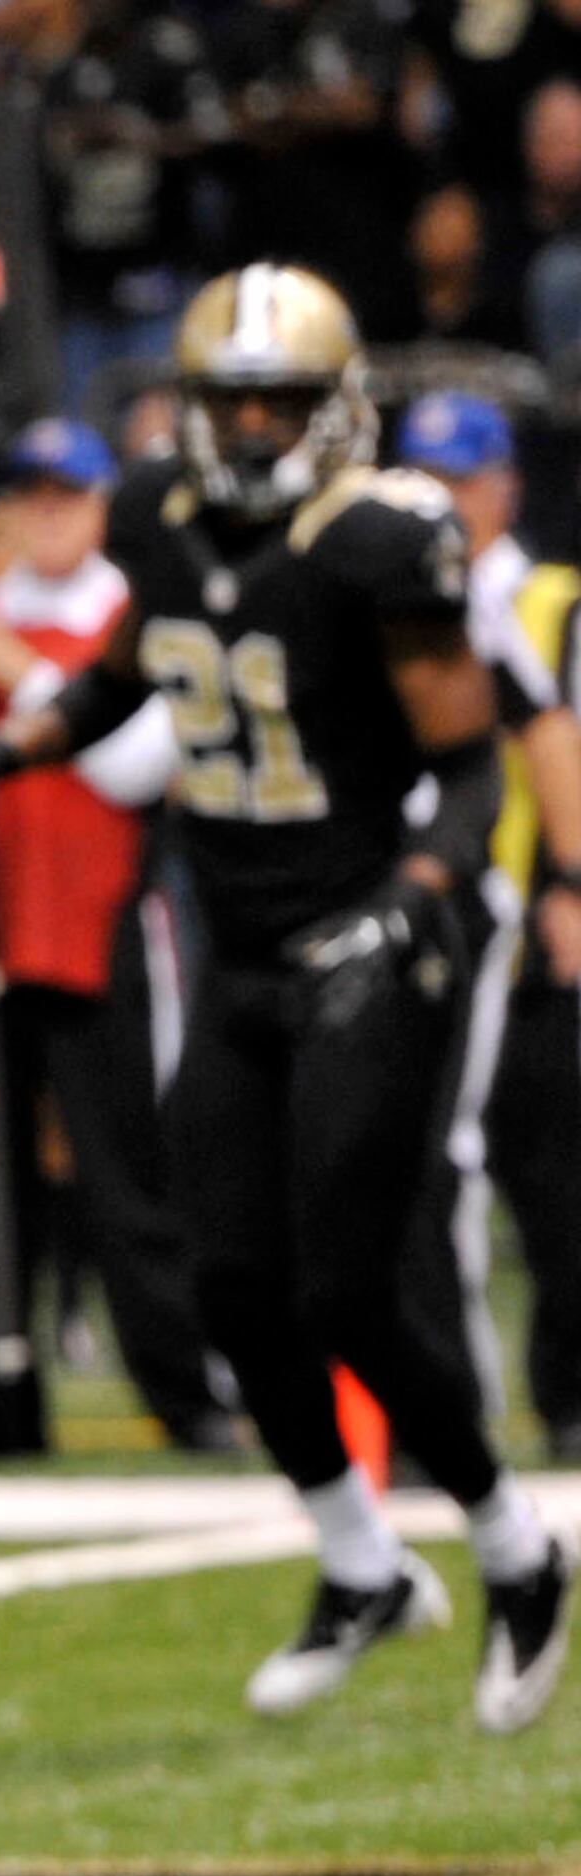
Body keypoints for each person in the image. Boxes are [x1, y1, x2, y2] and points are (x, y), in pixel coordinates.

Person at [0, 267, 573, 1730]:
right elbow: (135, 667)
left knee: (347, 1280)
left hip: (378, 940)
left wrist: (413, 901)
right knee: (232, 1274)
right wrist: (29, 739)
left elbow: (471, 766)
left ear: (336, 405)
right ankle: (359, 1562)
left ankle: (515, 1547)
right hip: (241, 943)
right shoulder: (157, 518)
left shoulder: (379, 541)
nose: (251, 423)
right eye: (230, 397)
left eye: (282, 399)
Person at [0, 417, 221, 1460]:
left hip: (94, 922)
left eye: (69, 492)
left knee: (127, 1175)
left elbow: (135, 767)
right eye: (32, 493)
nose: (48, 512)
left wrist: (10, 666)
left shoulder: (131, 613)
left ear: (103, 506)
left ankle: (184, 1390)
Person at [409, 391, 581, 1467]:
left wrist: (572, 878)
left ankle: (565, 1399)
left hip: (537, 923)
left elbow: (560, 740)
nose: (445, 503)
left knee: (559, 1181)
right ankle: (451, 1404)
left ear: (503, 484)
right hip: (440, 928)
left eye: (460, 481)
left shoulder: (554, 603)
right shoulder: (396, 590)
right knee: (439, 1167)